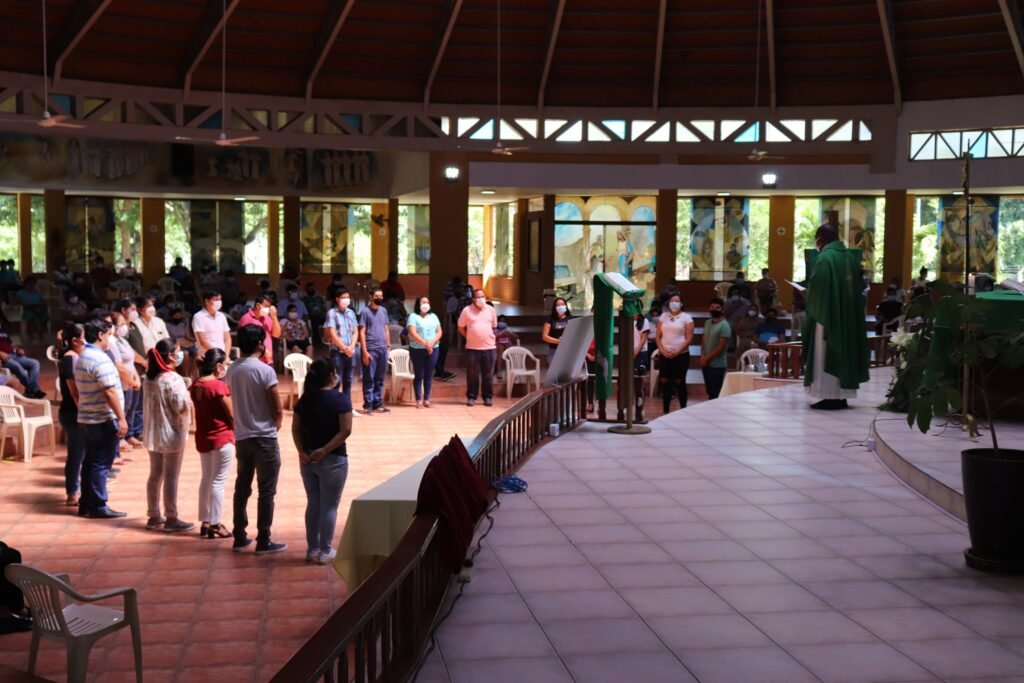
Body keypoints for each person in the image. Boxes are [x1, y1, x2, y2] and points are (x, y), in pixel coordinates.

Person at [226, 324, 286, 554]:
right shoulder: (264, 370)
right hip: (264, 437)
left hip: (242, 436)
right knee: (267, 490)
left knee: (242, 487)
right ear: (260, 344)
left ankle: (239, 535)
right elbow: (275, 404)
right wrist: (277, 422)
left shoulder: (233, 369)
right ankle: (264, 539)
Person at [292, 359, 352, 564]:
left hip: (307, 459)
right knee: (330, 506)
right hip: (332, 459)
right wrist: (325, 450)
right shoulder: (340, 400)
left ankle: (312, 549)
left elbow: (296, 429)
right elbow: (346, 430)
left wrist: (301, 451)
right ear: (331, 376)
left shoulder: (304, 399)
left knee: (314, 503)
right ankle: (325, 550)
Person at [803, 224, 870, 410]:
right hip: (847, 316)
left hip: (827, 315)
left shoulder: (825, 258)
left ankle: (829, 396)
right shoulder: (849, 257)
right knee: (844, 351)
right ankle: (841, 396)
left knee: (825, 351)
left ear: (820, 240)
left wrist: (807, 294)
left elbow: (819, 288)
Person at [75, 319, 129, 519]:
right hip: (102, 418)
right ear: (100, 335)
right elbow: (110, 392)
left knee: (90, 462)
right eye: (109, 334)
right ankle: (97, 505)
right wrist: (121, 418)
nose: (110, 339)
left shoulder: (84, 355)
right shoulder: (99, 359)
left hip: (88, 418)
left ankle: (86, 503)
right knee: (100, 464)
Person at [142, 338, 193, 533]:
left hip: (153, 432)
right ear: (171, 356)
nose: (181, 355)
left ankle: (154, 515)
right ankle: (171, 516)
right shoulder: (173, 379)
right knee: (171, 475)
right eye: (178, 351)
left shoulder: (148, 377)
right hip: (171, 433)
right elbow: (180, 406)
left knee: (155, 474)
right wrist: (188, 401)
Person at [191, 348, 234, 540]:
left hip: (204, 436)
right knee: (218, 481)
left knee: (207, 479)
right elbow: (231, 414)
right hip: (222, 437)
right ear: (218, 366)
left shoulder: (196, 384)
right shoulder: (217, 386)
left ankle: (205, 520)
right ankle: (215, 523)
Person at [58, 323, 86, 507]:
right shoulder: (69, 359)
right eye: (84, 336)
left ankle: (82, 489)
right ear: (75, 340)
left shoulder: (78, 356)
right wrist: (83, 412)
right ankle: (72, 492)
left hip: (79, 411)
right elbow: (74, 391)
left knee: (83, 454)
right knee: (76, 454)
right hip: (72, 412)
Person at [458, 289, 498, 407]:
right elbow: (461, 327)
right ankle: (472, 396)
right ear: (473, 299)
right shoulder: (466, 310)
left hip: (489, 347)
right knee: (472, 374)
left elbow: (494, 326)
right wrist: (469, 336)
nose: (480, 299)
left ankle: (487, 397)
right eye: (477, 297)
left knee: (488, 374)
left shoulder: (491, 310)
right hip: (472, 348)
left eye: (482, 296)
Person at [110, 311, 143, 454]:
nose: (125, 327)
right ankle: (120, 438)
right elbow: (120, 366)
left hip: (130, 380)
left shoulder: (123, 340)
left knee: (131, 408)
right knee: (123, 410)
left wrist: (135, 377)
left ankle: (129, 435)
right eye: (121, 324)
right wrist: (130, 381)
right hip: (122, 382)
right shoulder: (112, 342)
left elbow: (130, 358)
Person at [656, 294, 694, 413]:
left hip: (681, 355)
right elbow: (658, 335)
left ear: (681, 303)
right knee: (665, 381)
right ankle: (665, 410)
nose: (674, 303)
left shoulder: (686, 318)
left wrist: (677, 351)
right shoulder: (663, 316)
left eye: (677, 301)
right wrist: (662, 350)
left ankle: (683, 409)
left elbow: (689, 338)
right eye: (672, 301)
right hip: (665, 354)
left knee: (679, 381)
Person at [357, 287, 391, 415]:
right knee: (369, 378)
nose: (379, 298)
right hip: (370, 349)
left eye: (381, 296)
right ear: (371, 297)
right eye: (377, 296)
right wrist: (364, 351)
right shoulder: (365, 312)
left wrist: (388, 345)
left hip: (382, 348)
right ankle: (368, 405)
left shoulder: (384, 311)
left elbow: (386, 328)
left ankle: (378, 404)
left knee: (380, 378)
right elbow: (361, 332)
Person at [407, 295, 442, 408]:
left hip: (433, 349)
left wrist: (432, 343)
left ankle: (427, 399)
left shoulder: (434, 316)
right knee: (419, 374)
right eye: (423, 302)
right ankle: (418, 399)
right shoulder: (413, 316)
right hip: (417, 350)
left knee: (428, 374)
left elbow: (439, 332)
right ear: (418, 304)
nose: (425, 304)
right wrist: (426, 344)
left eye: (427, 302)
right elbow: (413, 333)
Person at [323, 287, 359, 400]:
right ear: (337, 299)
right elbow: (333, 334)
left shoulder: (351, 313)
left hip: (350, 352)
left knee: (348, 381)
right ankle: (334, 405)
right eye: (344, 297)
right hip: (338, 353)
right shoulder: (332, 313)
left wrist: (352, 347)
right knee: (336, 381)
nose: (347, 299)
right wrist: (344, 348)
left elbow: (355, 331)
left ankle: (347, 407)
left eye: (348, 297)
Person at [0, 319, 44, 399]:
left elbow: (11, 345)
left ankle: (30, 390)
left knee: (35, 363)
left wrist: (18, 349)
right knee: (17, 366)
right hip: (4, 358)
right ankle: (33, 390)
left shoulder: (3, 332)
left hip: (14, 355)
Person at [700, 298, 731, 400]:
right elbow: (704, 338)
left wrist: (707, 358)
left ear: (722, 310)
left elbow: (721, 347)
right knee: (709, 391)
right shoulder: (707, 322)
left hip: (718, 365)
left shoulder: (725, 325)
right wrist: (703, 356)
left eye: (717, 308)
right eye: (712, 307)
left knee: (715, 393)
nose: (714, 309)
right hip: (706, 363)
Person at [240, 293, 281, 366]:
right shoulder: (246, 318)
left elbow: (276, 335)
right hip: (253, 361)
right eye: (266, 306)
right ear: (258, 305)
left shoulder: (267, 318)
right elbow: (247, 340)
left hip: (268, 361)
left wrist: (274, 317)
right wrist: (264, 350)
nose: (268, 309)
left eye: (269, 306)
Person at [193, 290, 232, 358]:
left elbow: (227, 338)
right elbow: (203, 341)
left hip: (223, 355)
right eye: (216, 300)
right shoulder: (198, 317)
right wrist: (217, 355)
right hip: (206, 356)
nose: (219, 302)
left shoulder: (222, 316)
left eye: (220, 299)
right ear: (207, 301)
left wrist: (226, 355)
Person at [541, 298, 574, 364]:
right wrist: (558, 341)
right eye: (558, 305)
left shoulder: (571, 318)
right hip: (554, 350)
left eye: (562, 304)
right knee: (555, 373)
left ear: (566, 306)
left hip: (568, 350)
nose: (560, 306)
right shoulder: (550, 318)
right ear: (555, 307)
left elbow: (574, 334)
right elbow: (544, 336)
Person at [493, 315, 519, 380]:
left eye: (503, 321)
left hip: (507, 342)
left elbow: (516, 336)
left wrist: (509, 334)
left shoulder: (508, 328)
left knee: (510, 352)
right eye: (500, 321)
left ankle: (512, 371)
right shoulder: (495, 328)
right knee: (500, 351)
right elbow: (492, 337)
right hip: (498, 342)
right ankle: (499, 371)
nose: (502, 323)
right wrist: (500, 335)